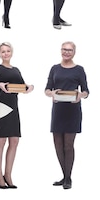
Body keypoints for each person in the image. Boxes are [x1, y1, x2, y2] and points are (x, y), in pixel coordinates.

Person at [0, 42, 34, 189]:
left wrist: (29, 87)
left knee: (14, 141)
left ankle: (8, 175)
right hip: (2, 107)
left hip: (14, 107)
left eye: (8, 51)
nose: (6, 53)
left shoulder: (16, 70)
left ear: (12, 52)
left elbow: (22, 86)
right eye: (3, 51)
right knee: (0, 142)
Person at [44, 41, 89, 189]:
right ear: (60, 50)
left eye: (70, 50)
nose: (66, 52)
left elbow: (86, 91)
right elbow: (47, 89)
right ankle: (64, 176)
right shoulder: (54, 68)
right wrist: (52, 93)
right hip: (58, 110)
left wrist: (79, 96)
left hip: (72, 110)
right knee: (57, 144)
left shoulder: (79, 69)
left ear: (74, 52)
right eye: (64, 49)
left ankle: (68, 178)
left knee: (68, 145)